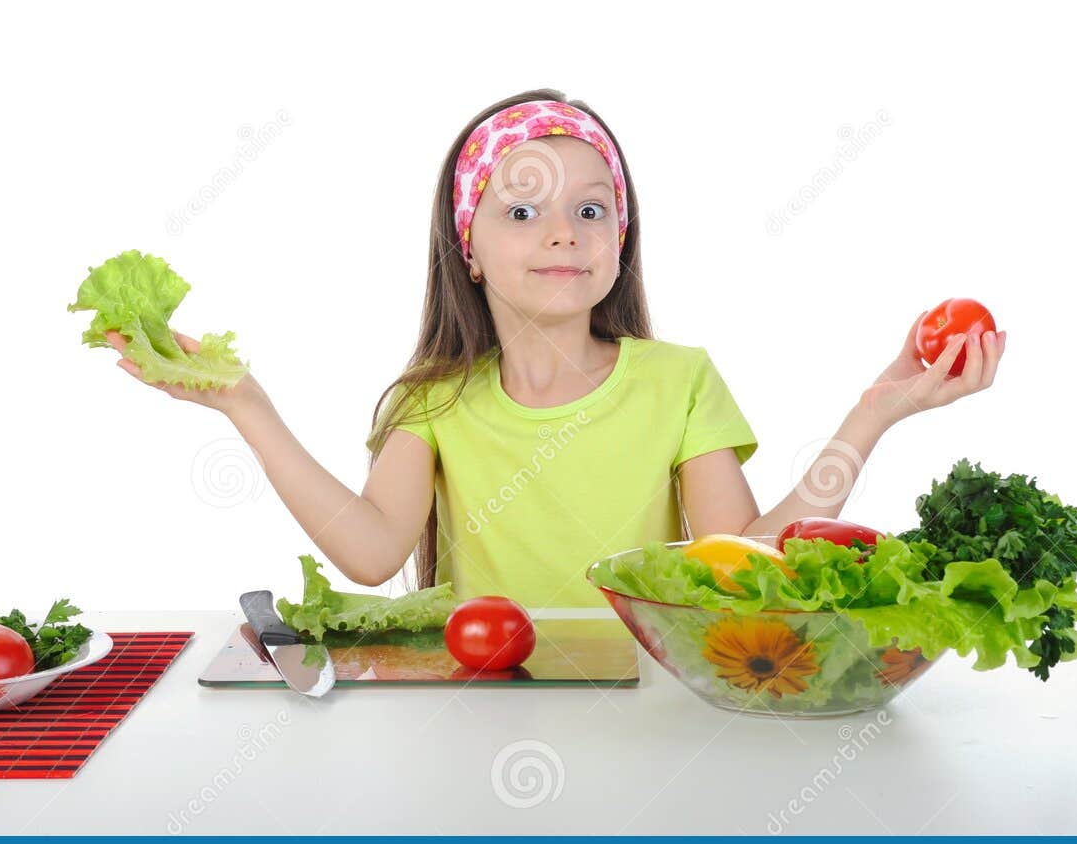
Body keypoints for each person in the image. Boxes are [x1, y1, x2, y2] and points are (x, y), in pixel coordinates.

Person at [102, 89, 1006, 608]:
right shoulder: (433, 400)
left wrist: (875, 412)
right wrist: (245, 405)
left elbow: (742, 562)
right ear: (470, 246)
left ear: (620, 238)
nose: (562, 233)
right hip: (478, 705)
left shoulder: (679, 381)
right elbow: (373, 554)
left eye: (589, 208)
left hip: (648, 708)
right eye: (522, 210)